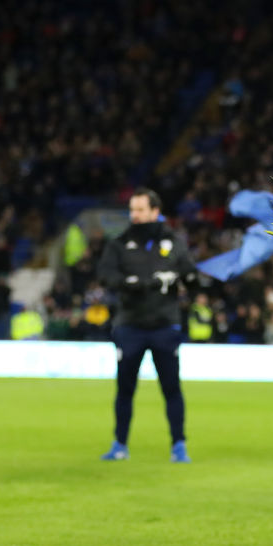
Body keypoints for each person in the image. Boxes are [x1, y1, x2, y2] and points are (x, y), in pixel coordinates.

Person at [97, 188, 197, 463]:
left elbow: (190, 276)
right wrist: (134, 284)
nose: (135, 215)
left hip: (165, 325)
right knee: (125, 389)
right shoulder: (119, 243)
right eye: (132, 210)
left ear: (155, 211)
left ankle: (179, 445)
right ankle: (120, 445)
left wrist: (184, 277)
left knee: (171, 388)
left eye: (140, 210)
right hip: (129, 326)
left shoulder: (174, 242)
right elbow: (105, 275)